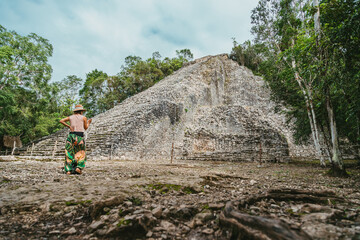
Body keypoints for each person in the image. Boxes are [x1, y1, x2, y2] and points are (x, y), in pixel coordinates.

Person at [59, 104, 92, 175]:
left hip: (71, 135)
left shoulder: (70, 117)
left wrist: (69, 126)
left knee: (69, 153)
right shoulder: (84, 118)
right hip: (79, 136)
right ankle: (78, 168)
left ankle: (68, 170)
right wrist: (88, 123)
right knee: (81, 152)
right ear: (81, 111)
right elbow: (85, 128)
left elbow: (61, 120)